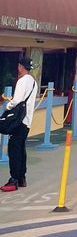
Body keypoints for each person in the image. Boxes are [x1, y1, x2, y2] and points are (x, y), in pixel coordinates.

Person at [1, 56, 37, 192]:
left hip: (18, 121)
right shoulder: (33, 82)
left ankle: (14, 179)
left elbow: (17, 100)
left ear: (20, 66)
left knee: (14, 149)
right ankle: (22, 178)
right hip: (27, 120)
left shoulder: (22, 81)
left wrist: (7, 107)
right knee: (21, 148)